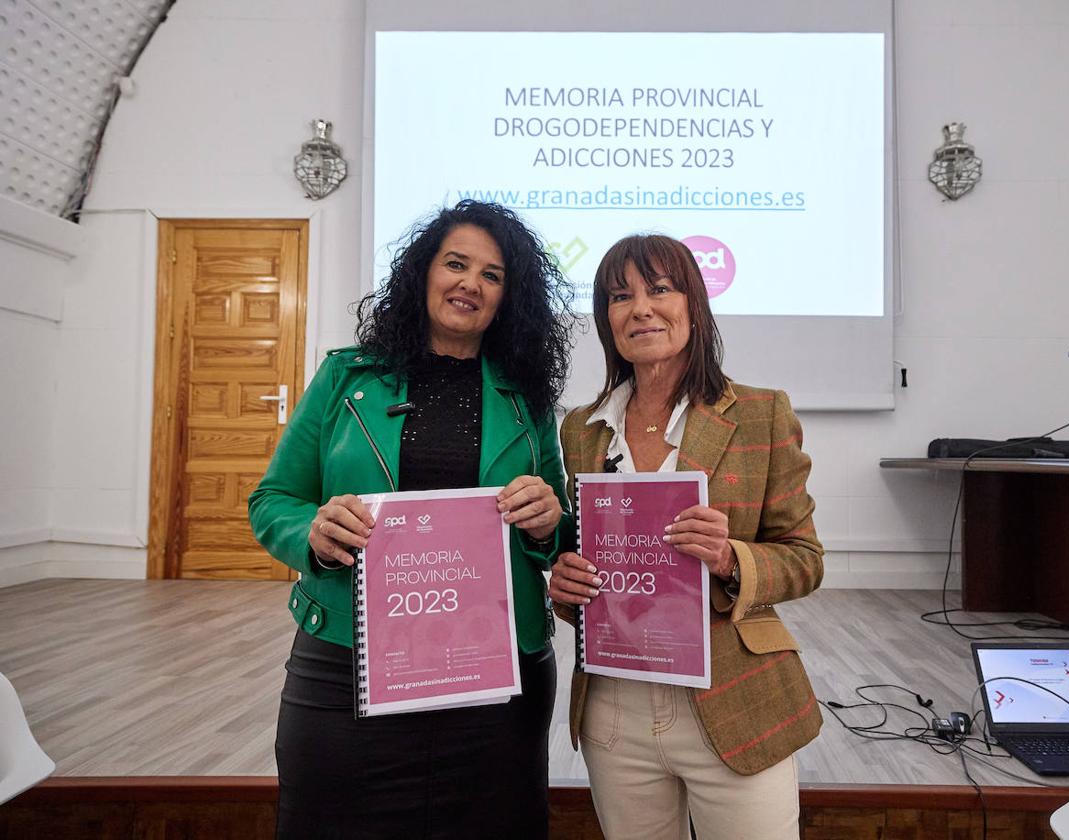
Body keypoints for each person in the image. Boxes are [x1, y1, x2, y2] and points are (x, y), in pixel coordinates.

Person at [248, 200, 573, 839]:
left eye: (493, 275)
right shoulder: (346, 377)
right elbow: (274, 501)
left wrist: (546, 522)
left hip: (496, 675)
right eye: (456, 263)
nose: (470, 284)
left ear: (509, 298)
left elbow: (557, 531)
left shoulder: (526, 397)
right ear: (422, 272)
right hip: (347, 663)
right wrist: (312, 532)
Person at [549, 234, 825, 840]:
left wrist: (731, 557)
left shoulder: (761, 413)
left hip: (734, 702)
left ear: (694, 307)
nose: (641, 308)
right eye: (621, 297)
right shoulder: (581, 431)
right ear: (607, 321)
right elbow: (579, 561)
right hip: (614, 708)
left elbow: (804, 559)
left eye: (660, 289)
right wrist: (564, 586)